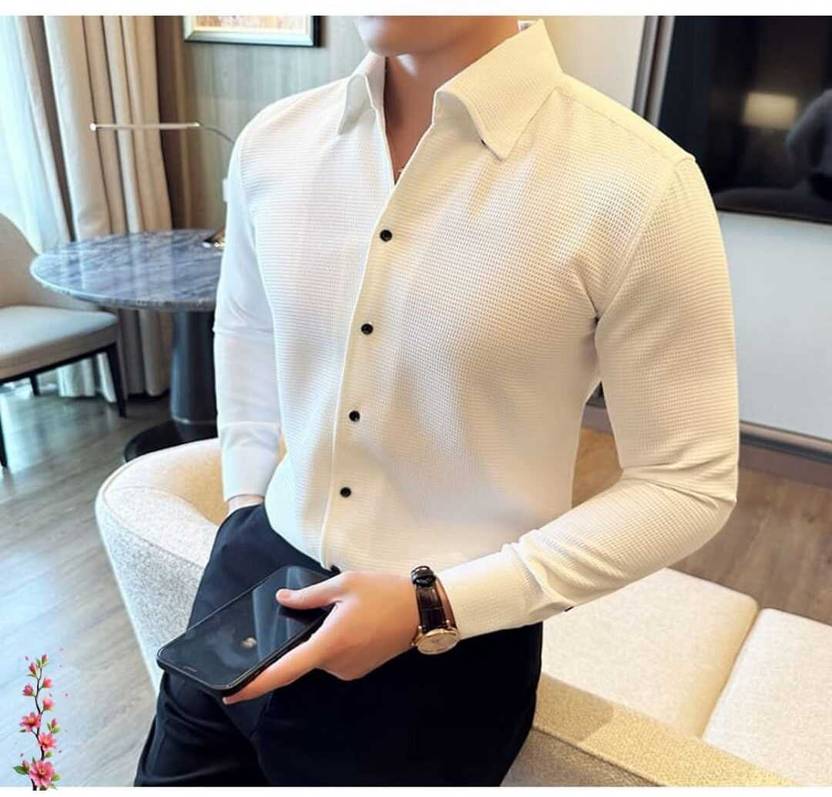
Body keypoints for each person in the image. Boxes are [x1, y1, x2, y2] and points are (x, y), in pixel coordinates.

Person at [135, 14, 739, 786]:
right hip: (250, 581)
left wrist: (434, 604)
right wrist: (244, 498)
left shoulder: (639, 186)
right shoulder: (272, 142)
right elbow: (248, 326)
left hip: (443, 661)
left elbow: (687, 481)